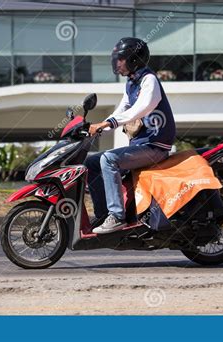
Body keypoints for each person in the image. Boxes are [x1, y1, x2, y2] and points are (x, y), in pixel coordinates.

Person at [85, 37, 176, 234]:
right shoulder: (131, 83)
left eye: (121, 58)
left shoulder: (148, 80)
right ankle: (103, 214)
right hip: (141, 146)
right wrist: (100, 127)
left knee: (109, 159)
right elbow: (122, 110)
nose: (117, 63)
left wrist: (109, 123)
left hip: (155, 147)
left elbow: (140, 109)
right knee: (91, 163)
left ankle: (117, 217)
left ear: (134, 59)